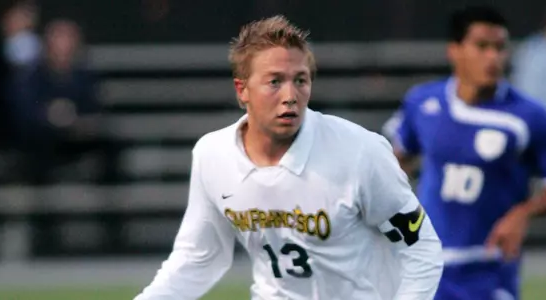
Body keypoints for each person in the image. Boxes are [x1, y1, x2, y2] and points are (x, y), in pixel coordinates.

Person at [136, 16, 443, 300]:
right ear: (242, 90)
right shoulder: (213, 154)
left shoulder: (360, 151)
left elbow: (420, 248)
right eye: (274, 81)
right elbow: (197, 260)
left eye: (300, 80)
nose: (290, 95)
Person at [381, 6, 546, 300]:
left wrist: (521, 214)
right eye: (482, 47)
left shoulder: (527, 117)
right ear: (455, 50)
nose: (493, 57)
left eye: (500, 48)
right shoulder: (422, 103)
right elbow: (394, 161)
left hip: (488, 268)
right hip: (425, 264)